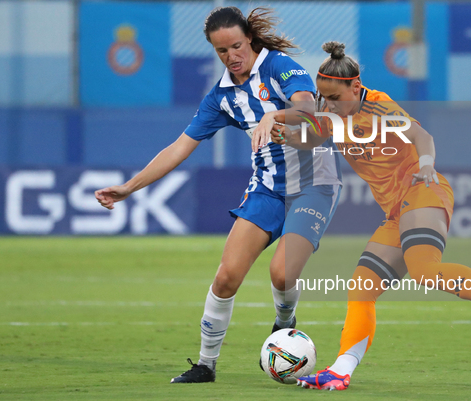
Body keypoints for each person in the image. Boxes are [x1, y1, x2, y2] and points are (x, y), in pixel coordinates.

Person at [274, 42, 471, 391]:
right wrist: (288, 136)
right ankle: (340, 370)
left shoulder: (379, 105)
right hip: (397, 211)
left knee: (424, 270)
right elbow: (312, 137)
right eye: (322, 97)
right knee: (361, 289)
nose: (327, 104)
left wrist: (426, 165)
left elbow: (422, 136)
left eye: (334, 96)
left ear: (356, 87)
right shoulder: (333, 116)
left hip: (424, 190)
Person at [94, 7, 342, 384]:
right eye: (222, 51)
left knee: (281, 272)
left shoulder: (279, 66)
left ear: (250, 40)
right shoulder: (221, 96)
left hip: (314, 186)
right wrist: (130, 187)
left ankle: (285, 324)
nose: (232, 56)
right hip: (268, 189)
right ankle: (206, 365)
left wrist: (274, 117)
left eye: (237, 46)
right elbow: (179, 147)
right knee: (226, 278)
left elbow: (306, 107)